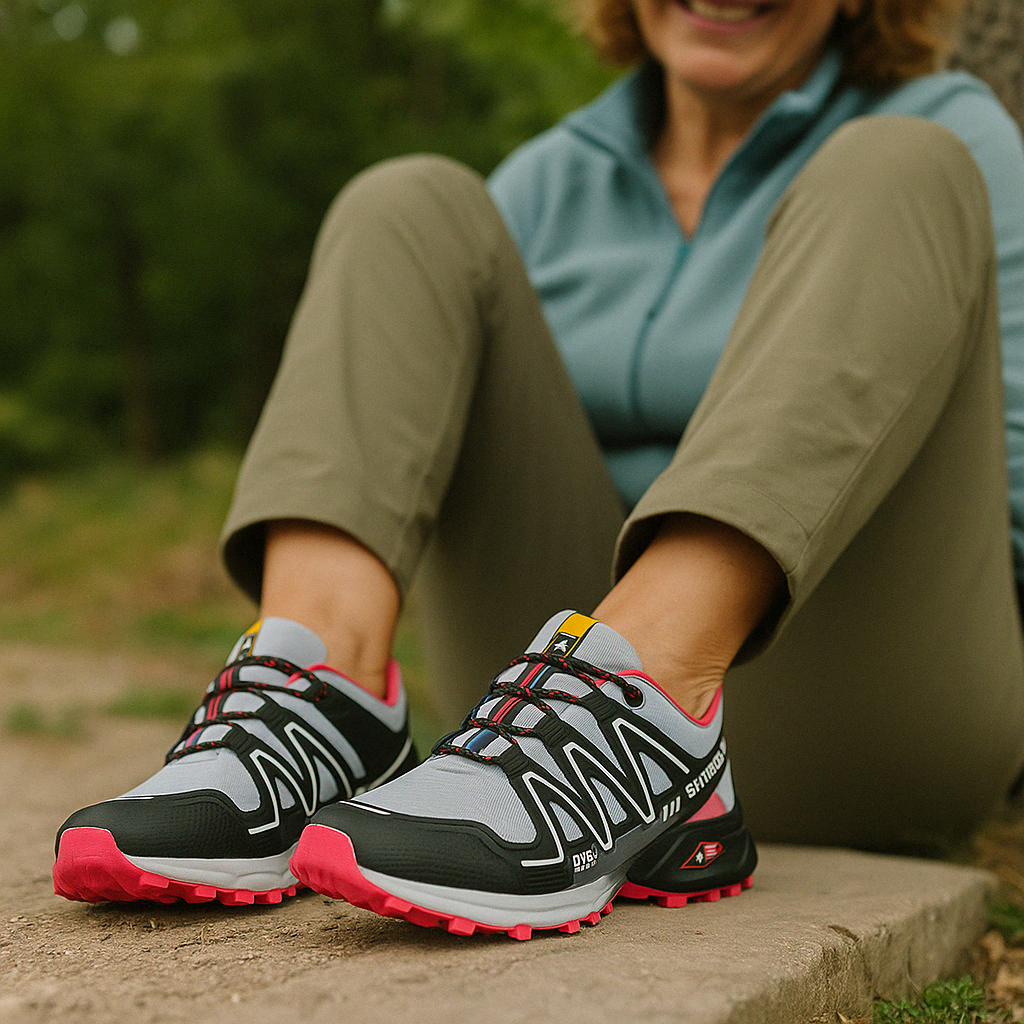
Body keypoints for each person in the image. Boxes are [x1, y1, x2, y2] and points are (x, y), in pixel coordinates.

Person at [52, 0, 1024, 939]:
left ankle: (654, 691)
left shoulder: (954, 135)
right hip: (537, 729)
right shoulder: (545, 182)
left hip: (863, 688)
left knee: (900, 162)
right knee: (408, 201)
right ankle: (321, 693)